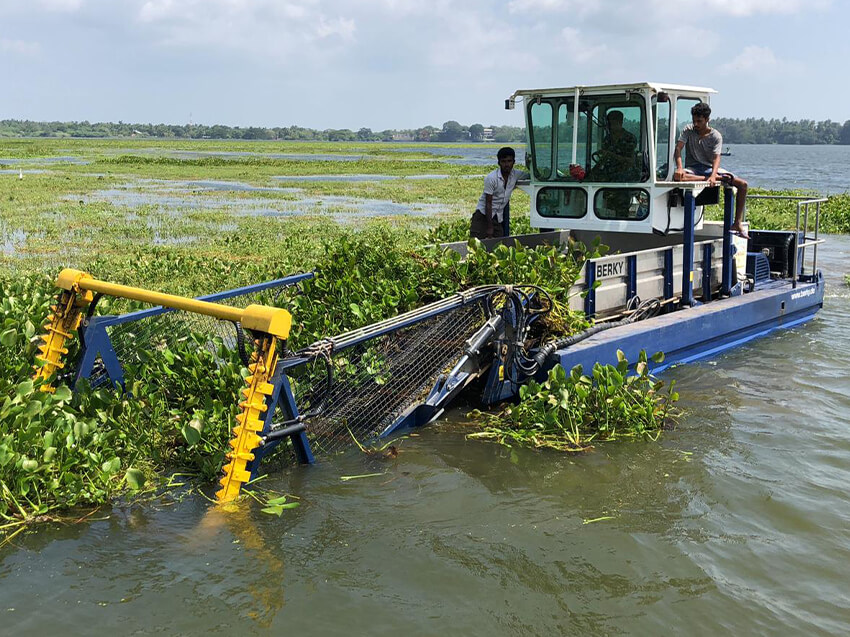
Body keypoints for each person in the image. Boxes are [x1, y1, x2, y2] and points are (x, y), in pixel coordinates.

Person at [674, 102, 750, 238]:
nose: (696, 124)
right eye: (694, 121)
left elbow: (716, 158)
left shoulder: (716, 136)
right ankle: (720, 179)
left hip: (709, 168)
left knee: (743, 185)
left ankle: (737, 222)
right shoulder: (688, 130)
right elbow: (678, 148)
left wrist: (714, 175)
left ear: (707, 120)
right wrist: (680, 168)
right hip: (693, 169)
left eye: (699, 121)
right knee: (678, 176)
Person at [470, 147, 529, 240]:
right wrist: (489, 227)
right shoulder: (491, 178)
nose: (507, 164)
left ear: (514, 162)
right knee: (477, 246)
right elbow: (488, 203)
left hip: (497, 217)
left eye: (509, 161)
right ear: (499, 163)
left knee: (499, 245)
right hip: (483, 216)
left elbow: (531, 175)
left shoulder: (516, 175)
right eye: (503, 161)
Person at [594, 110, 638, 182]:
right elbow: (603, 160)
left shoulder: (630, 138)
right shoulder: (607, 139)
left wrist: (610, 155)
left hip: (626, 176)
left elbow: (630, 161)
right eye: (609, 124)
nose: (610, 127)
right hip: (608, 174)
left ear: (620, 122)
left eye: (612, 123)